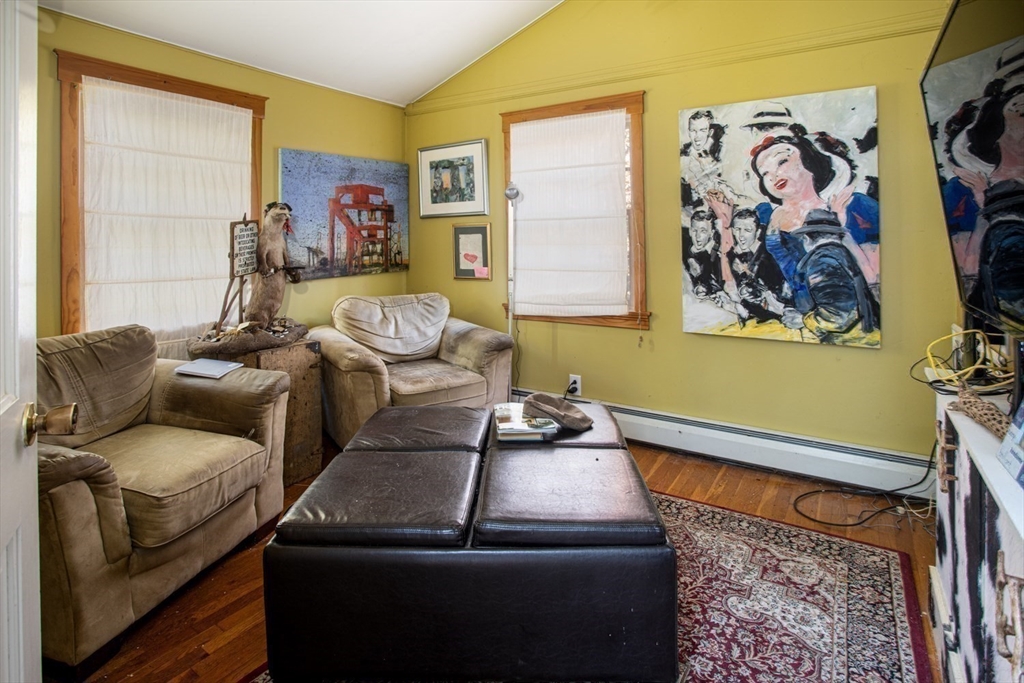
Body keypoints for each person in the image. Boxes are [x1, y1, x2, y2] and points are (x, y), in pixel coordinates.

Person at [749, 133, 879, 298]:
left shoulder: (854, 205)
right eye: (765, 173)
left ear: (808, 160)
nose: (774, 175)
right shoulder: (771, 220)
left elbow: (876, 279)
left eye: (782, 162)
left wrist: (841, 231)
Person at [788, 209, 880, 346]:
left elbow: (838, 316)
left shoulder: (822, 260)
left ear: (807, 238)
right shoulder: (840, 254)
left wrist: (802, 320)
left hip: (842, 342)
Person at [724, 208, 791, 322]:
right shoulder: (733, 255)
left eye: (747, 230)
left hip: (779, 313)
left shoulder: (770, 254)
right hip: (755, 314)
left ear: (758, 231)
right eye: (737, 229)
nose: (741, 236)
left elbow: (784, 290)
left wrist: (763, 295)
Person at [680, 110, 729, 209]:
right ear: (689, 132)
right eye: (693, 131)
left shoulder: (715, 155)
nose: (697, 136)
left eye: (702, 130)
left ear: (710, 132)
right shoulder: (682, 158)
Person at [683, 210, 726, 302]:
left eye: (703, 231)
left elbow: (717, 284)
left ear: (711, 233)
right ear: (690, 231)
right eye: (695, 231)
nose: (698, 236)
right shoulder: (683, 247)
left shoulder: (715, 259)